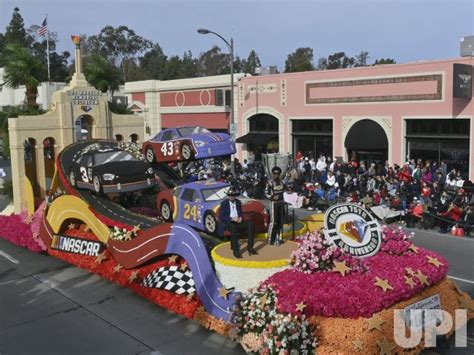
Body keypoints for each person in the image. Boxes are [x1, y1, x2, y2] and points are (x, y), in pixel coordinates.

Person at [218, 187, 257, 258]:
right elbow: (221, 216)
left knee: (250, 224)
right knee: (233, 228)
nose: (231, 197)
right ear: (227, 196)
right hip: (229, 222)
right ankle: (236, 250)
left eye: (233, 195)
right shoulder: (224, 203)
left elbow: (240, 212)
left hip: (238, 221)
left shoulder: (238, 202)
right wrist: (232, 219)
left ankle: (250, 247)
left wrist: (241, 218)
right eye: (229, 195)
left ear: (235, 196)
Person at [265, 166, 287, 245]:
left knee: (280, 221)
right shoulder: (269, 182)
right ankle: (270, 239)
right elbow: (266, 193)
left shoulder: (283, 182)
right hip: (274, 203)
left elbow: (286, 190)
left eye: (278, 173)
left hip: (281, 203)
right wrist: (272, 197)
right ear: (272, 174)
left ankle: (278, 238)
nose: (276, 175)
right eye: (275, 173)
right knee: (273, 221)